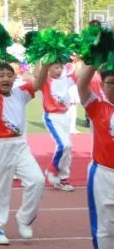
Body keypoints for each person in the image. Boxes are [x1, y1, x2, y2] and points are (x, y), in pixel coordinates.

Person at [0, 61, 49, 245]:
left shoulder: (20, 93)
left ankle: (24, 218)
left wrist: (46, 65)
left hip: (19, 145)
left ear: (15, 78)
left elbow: (39, 84)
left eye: (9, 75)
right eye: (0, 75)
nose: (6, 79)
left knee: (37, 180)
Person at [75, 63, 114, 249]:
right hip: (104, 175)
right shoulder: (96, 106)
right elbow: (81, 84)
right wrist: (94, 58)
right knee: (105, 226)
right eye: (111, 83)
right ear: (102, 84)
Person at [41, 60, 76, 191]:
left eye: (60, 67)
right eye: (56, 67)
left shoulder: (67, 80)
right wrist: (42, 57)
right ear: (48, 68)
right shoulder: (45, 81)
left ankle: (62, 178)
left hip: (64, 116)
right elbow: (37, 72)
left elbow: (80, 73)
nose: (59, 70)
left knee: (69, 148)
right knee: (64, 145)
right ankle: (52, 169)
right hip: (52, 116)